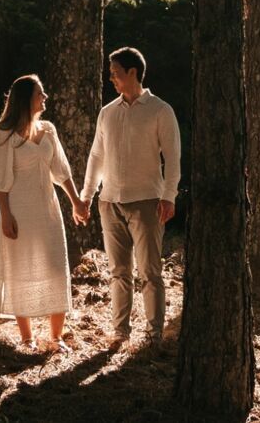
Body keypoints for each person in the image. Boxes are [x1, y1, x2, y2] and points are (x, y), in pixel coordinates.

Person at [80, 46, 181, 348]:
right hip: (109, 202)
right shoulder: (107, 112)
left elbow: (173, 158)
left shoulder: (160, 111)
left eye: (115, 73)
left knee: (150, 271)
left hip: (148, 202)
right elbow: (96, 156)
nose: (111, 78)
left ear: (133, 72)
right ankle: (120, 331)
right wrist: (87, 196)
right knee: (118, 272)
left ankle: (153, 334)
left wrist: (169, 196)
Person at [0, 73, 87, 350]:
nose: (45, 98)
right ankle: (27, 339)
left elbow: (61, 171)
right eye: (39, 94)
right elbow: (0, 180)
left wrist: (76, 202)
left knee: (56, 266)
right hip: (19, 208)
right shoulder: (4, 134)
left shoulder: (48, 130)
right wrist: (6, 215)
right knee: (22, 267)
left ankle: (55, 337)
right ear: (25, 99)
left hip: (47, 207)